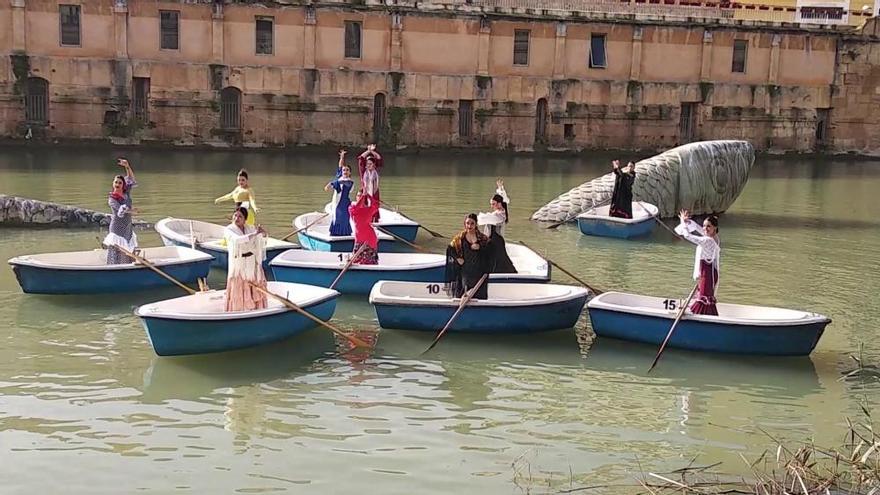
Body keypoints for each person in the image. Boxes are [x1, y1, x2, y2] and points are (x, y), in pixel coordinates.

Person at [674, 209, 721, 316]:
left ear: (715, 228)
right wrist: (687, 222)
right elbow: (698, 229)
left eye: (708, 226)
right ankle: (706, 315)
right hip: (709, 272)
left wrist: (682, 221)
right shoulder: (715, 238)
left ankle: (699, 315)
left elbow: (688, 236)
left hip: (707, 273)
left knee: (703, 298)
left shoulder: (708, 240)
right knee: (704, 297)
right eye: (704, 226)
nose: (705, 228)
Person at [224, 207, 268, 312]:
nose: (236, 218)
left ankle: (257, 309)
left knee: (255, 281)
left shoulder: (250, 228)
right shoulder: (229, 229)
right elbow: (237, 240)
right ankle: (239, 310)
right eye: (235, 215)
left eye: (240, 216)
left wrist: (263, 233)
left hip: (251, 261)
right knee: (239, 283)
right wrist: (254, 234)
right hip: (238, 262)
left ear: (245, 219)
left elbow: (261, 240)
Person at [445, 213, 492, 300]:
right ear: (464, 224)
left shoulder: (482, 238)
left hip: (479, 270)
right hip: (466, 270)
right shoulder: (459, 238)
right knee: (465, 291)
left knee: (479, 292)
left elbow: (491, 251)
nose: (469, 226)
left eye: (472, 223)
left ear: (476, 224)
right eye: (467, 223)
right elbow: (450, 248)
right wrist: (457, 258)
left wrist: (480, 247)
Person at [477, 179, 517, 274]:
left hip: (496, 240)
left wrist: (474, 218)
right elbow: (504, 199)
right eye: (491, 204)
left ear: (499, 203)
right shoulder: (499, 212)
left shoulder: (500, 215)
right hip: (494, 239)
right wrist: (500, 188)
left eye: (493, 204)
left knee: (498, 260)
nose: (492, 206)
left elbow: (483, 219)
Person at [104, 158, 138, 265]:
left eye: (120, 182)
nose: (117, 184)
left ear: (123, 185)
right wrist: (131, 211)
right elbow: (120, 211)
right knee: (118, 251)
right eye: (116, 182)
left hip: (127, 226)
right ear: (113, 184)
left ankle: (127, 267)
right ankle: (116, 267)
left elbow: (131, 179)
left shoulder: (126, 193)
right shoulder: (112, 198)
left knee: (128, 250)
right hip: (117, 228)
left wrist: (127, 166)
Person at [325, 150, 354, 236]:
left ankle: (344, 234)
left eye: (347, 170)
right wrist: (342, 157)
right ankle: (335, 233)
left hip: (344, 203)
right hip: (336, 201)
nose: (345, 171)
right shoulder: (339, 177)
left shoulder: (350, 182)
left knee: (343, 218)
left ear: (350, 172)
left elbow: (342, 183)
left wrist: (330, 184)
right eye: (344, 170)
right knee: (335, 217)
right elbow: (340, 165)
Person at [349, 192, 380, 265]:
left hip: (369, 238)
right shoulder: (351, 208)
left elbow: (376, 205)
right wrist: (363, 196)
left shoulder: (368, 209)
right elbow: (356, 208)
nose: (359, 197)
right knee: (356, 260)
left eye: (361, 196)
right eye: (358, 195)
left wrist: (368, 195)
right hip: (359, 238)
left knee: (369, 262)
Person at [357, 144, 383, 223]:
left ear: (374, 165)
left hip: (374, 191)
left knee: (375, 206)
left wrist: (373, 151)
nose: (368, 165)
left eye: (370, 164)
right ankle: (365, 220)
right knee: (364, 205)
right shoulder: (363, 171)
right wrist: (368, 151)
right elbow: (361, 158)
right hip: (365, 191)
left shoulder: (375, 172)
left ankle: (374, 221)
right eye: (367, 164)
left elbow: (379, 158)